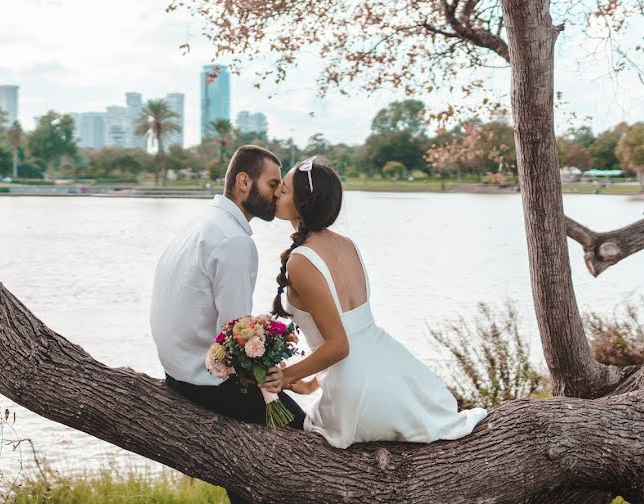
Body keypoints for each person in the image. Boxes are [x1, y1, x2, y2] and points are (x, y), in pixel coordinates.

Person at [259, 155, 487, 448]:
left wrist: (284, 375)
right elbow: (353, 333)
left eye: (285, 189)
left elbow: (339, 345)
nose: (277, 191)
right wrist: (307, 383)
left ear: (302, 203)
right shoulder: (347, 245)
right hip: (391, 371)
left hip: (358, 393)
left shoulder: (302, 261)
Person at [150, 145, 306, 504]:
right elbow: (235, 337)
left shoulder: (203, 222)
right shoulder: (235, 241)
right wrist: (276, 382)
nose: (277, 193)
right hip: (204, 381)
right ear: (243, 182)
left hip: (177, 370)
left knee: (250, 461)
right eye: (272, 184)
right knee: (302, 433)